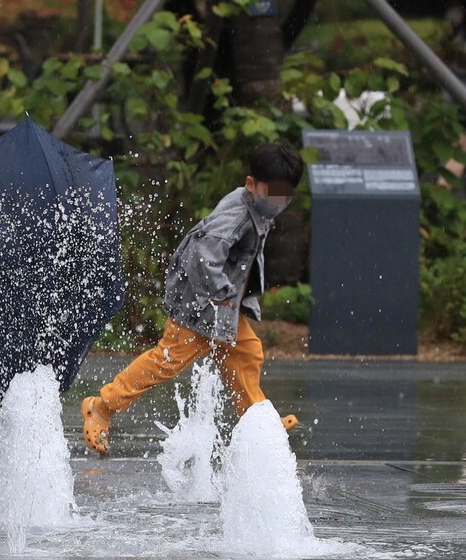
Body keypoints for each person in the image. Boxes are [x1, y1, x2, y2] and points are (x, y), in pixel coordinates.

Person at [81, 143, 304, 455]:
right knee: (164, 363)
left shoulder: (257, 206)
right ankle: (101, 407)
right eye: (273, 194)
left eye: (285, 196)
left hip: (223, 311)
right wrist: (225, 294)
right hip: (200, 309)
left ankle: (258, 424)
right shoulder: (237, 216)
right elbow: (203, 257)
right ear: (252, 184)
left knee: (247, 354)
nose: (278, 203)